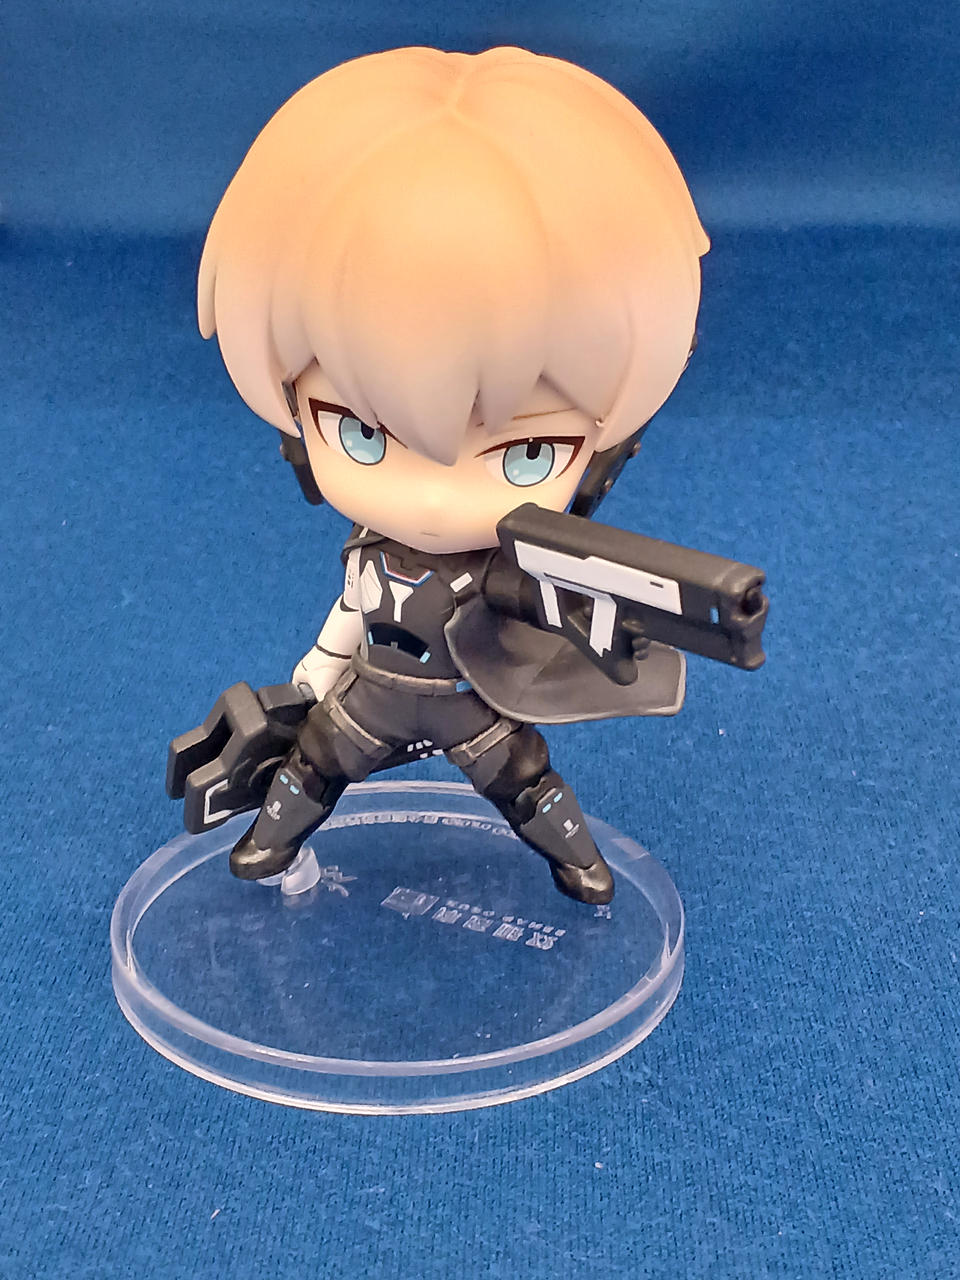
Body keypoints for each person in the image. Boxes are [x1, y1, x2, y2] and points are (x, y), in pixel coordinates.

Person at [192, 46, 709, 903]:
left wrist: (611, 628)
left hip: (473, 704)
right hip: (369, 701)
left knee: (525, 783)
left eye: (526, 454)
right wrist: (311, 678)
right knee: (312, 765)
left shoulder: (506, 574)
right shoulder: (369, 555)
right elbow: (347, 621)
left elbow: (569, 615)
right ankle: (266, 847)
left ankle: (579, 862)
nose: (433, 495)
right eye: (361, 434)